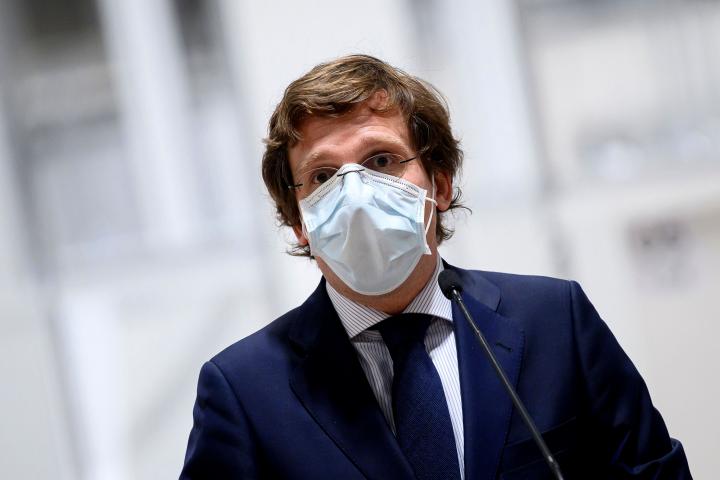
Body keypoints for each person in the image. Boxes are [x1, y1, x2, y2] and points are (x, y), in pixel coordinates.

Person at [180, 54, 691, 479]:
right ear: (299, 221)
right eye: (323, 176)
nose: (354, 194)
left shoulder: (556, 321)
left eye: (381, 160)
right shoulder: (243, 391)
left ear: (439, 185)